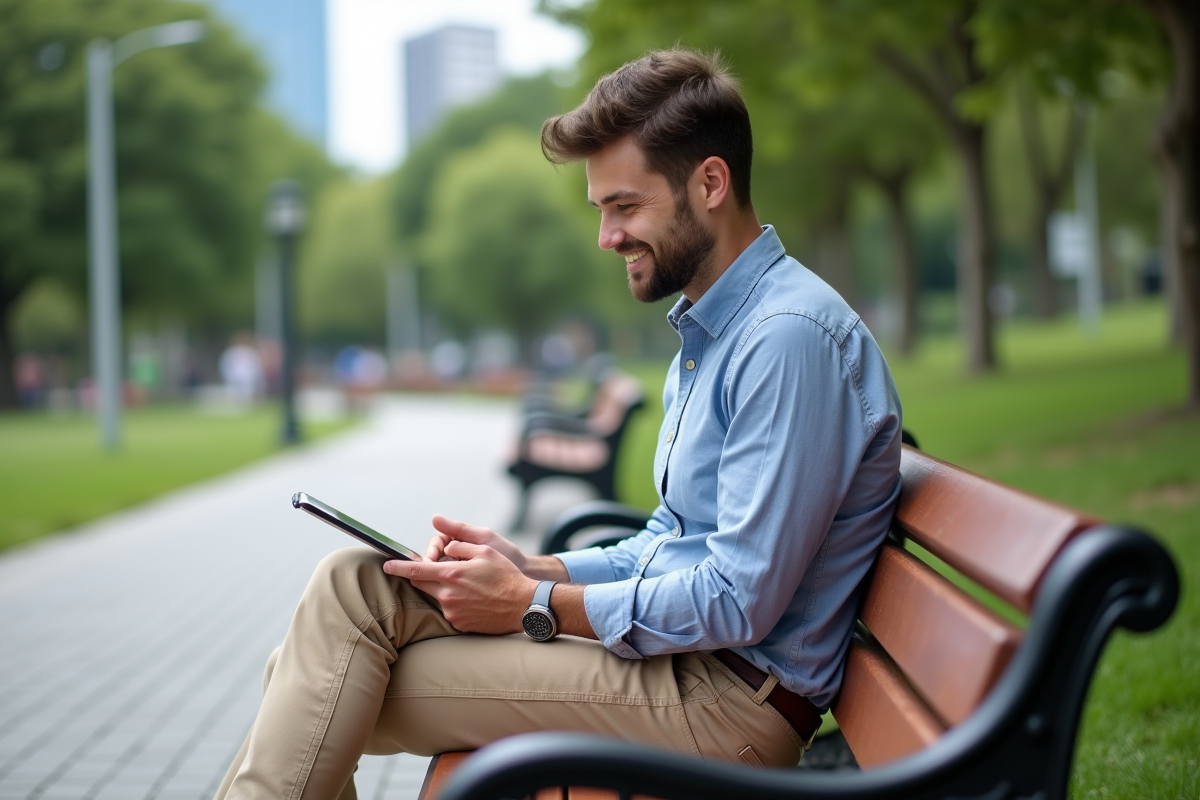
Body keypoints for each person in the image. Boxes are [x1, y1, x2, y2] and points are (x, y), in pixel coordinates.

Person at [214, 48, 902, 800]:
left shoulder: (787, 339)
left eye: (625, 206)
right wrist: (535, 569)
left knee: (311, 675)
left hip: (724, 707)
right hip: (678, 671)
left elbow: (737, 599)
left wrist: (532, 607)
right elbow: (671, 543)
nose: (607, 237)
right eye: (601, 209)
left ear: (710, 182)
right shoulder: (720, 332)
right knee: (351, 589)